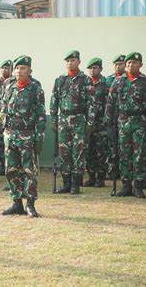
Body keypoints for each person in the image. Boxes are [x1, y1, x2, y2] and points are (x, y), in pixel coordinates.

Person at [0, 55, 45, 217]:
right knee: (11, 170)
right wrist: (4, 129)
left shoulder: (36, 89)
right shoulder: (8, 86)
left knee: (29, 171)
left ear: (30, 71)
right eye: (17, 68)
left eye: (23, 68)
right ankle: (16, 202)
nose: (19, 71)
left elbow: (41, 115)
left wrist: (39, 137)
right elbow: (3, 107)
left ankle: (30, 204)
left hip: (28, 135)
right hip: (10, 134)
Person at [50, 50, 95, 194]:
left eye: (73, 60)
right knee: (64, 152)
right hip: (63, 119)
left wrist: (90, 122)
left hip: (79, 119)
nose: (70, 63)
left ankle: (76, 184)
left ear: (79, 62)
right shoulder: (60, 79)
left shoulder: (85, 80)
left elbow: (91, 103)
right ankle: (66, 183)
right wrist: (53, 119)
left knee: (79, 152)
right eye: (68, 61)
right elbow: (54, 100)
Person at [105, 52, 146, 199]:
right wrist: (109, 124)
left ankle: (138, 186)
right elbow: (110, 104)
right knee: (124, 154)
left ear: (140, 65)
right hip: (123, 123)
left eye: (134, 63)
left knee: (139, 155)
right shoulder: (118, 81)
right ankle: (126, 185)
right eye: (128, 63)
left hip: (140, 122)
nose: (130, 65)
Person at [83, 58, 108, 188]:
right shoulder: (84, 83)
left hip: (100, 123)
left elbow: (110, 104)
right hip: (86, 123)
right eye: (91, 68)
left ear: (101, 69)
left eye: (95, 68)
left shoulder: (106, 84)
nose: (93, 70)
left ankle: (101, 178)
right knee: (88, 151)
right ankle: (91, 176)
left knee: (101, 151)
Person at [105, 54, 126, 180]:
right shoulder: (108, 80)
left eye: (120, 64)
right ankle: (113, 171)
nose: (118, 67)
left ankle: (126, 173)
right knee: (112, 146)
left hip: (125, 118)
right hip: (112, 118)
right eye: (116, 64)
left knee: (124, 147)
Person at [0, 60, 13, 176]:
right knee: (0, 143)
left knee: (8, 144)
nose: (4, 70)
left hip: (11, 119)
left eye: (7, 68)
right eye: (2, 68)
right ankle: (1, 165)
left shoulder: (12, 83)